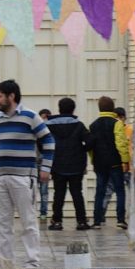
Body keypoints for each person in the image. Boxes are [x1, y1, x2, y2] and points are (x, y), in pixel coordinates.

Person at [0, 80, 55, 267]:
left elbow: (49, 141)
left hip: (23, 177)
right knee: (2, 223)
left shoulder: (30, 116)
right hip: (1, 177)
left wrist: (45, 168)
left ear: (11, 96)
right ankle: (5, 263)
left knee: (28, 221)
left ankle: (32, 262)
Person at [45, 97, 91, 231]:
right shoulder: (79, 125)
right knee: (77, 193)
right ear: (73, 109)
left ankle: (57, 221)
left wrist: (49, 154)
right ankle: (81, 221)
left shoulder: (49, 126)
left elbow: (42, 142)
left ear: (59, 109)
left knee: (58, 193)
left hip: (57, 163)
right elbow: (90, 141)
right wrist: (81, 150)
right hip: (76, 164)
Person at [88, 95, 130, 230]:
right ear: (112, 108)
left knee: (100, 191)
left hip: (99, 163)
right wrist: (125, 161)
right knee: (120, 191)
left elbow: (91, 146)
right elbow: (121, 144)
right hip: (115, 163)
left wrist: (93, 160)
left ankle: (97, 221)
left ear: (99, 108)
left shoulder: (93, 125)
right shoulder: (117, 123)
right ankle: (120, 220)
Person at [115, 107, 135, 217]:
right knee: (108, 192)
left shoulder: (131, 130)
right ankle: (100, 218)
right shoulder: (113, 129)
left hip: (130, 166)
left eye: (118, 118)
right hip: (116, 166)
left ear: (123, 118)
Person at [37, 108, 52, 218]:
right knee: (32, 189)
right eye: (43, 118)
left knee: (44, 189)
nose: (45, 120)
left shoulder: (51, 132)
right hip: (35, 162)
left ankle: (43, 212)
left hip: (45, 163)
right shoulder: (35, 130)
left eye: (47, 118)